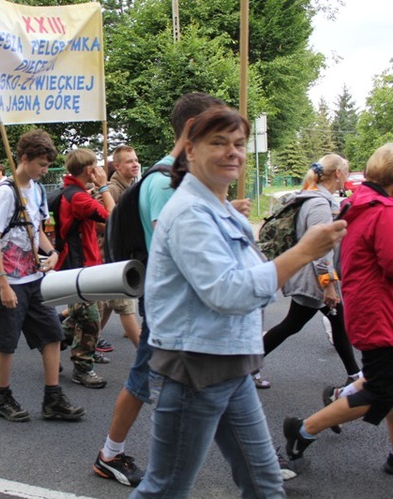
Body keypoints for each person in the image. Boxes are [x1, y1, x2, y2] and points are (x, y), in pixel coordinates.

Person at [129, 106, 347, 497]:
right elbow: (227, 292)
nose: (233, 152)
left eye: (239, 143)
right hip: (193, 369)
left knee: (264, 486)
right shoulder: (190, 212)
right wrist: (303, 251)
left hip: (231, 365)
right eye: (219, 142)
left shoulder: (216, 208)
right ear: (191, 150)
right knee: (164, 490)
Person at [94, 93, 227, 487]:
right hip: (173, 304)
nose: (223, 144)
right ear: (192, 131)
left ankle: (255, 461)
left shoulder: (183, 178)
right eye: (215, 133)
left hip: (180, 304)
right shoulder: (168, 182)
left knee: (207, 382)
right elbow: (176, 252)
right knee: (152, 378)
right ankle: (114, 456)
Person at [283, 143, 393, 475]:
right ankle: (302, 430)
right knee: (381, 388)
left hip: (370, 307)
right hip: (379, 313)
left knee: (386, 381)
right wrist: (328, 283)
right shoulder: (382, 211)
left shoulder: (362, 204)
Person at [0, 128, 84, 422]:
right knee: (7, 341)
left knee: (52, 334)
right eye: (41, 164)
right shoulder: (6, 193)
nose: (44, 170)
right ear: (24, 158)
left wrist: (52, 252)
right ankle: (1, 397)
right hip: (9, 281)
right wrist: (3, 283)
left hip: (33, 279)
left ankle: (52, 398)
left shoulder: (37, 191)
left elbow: (38, 229)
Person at [255, 155, 361, 388]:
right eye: (347, 171)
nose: (348, 176)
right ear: (337, 174)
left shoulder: (314, 198)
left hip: (311, 276)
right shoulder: (319, 204)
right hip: (313, 279)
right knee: (296, 324)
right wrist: (329, 286)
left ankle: (354, 375)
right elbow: (320, 251)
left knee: (311, 323)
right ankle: (247, 366)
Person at [54, 148, 115, 388]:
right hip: (79, 266)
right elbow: (112, 216)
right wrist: (103, 187)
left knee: (77, 316)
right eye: (96, 167)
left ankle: (50, 345)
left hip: (85, 264)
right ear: (89, 170)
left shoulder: (75, 193)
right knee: (90, 318)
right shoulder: (78, 197)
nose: (99, 170)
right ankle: (82, 368)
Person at [97, 145, 143, 348]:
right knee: (126, 307)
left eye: (136, 160)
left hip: (124, 255)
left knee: (108, 304)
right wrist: (118, 227)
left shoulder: (133, 186)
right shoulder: (113, 189)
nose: (135, 164)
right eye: (129, 161)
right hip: (112, 257)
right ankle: (148, 358)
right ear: (117, 166)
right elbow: (96, 221)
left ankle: (87, 343)